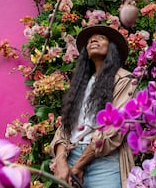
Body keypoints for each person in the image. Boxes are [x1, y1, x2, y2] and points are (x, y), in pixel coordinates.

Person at [50, 25, 136, 188]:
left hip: (105, 162)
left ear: (112, 48)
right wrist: (61, 160)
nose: (93, 40)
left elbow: (114, 128)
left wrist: (77, 167)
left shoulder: (124, 80)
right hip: (71, 157)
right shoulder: (79, 84)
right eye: (90, 40)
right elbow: (65, 126)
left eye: (101, 37)